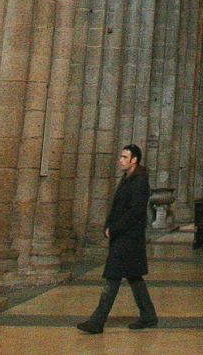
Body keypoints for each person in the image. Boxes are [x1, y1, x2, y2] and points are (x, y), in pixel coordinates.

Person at [77, 142, 157, 334]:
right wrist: (108, 224)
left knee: (112, 277)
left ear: (134, 160)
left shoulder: (139, 181)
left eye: (124, 157)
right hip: (124, 236)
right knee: (134, 277)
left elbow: (135, 212)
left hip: (128, 238)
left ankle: (97, 321)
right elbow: (118, 206)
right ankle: (149, 316)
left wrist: (114, 229)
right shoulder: (128, 178)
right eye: (121, 157)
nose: (120, 160)